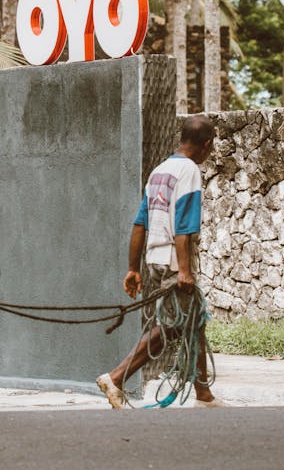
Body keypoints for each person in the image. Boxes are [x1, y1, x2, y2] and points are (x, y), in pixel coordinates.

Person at [96, 114, 225, 409]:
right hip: (172, 261)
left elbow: (140, 223)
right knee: (171, 326)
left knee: (193, 321)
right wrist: (185, 270)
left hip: (153, 259)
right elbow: (185, 225)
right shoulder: (189, 171)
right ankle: (115, 378)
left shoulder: (159, 171)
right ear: (206, 145)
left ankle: (204, 395)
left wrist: (132, 268)